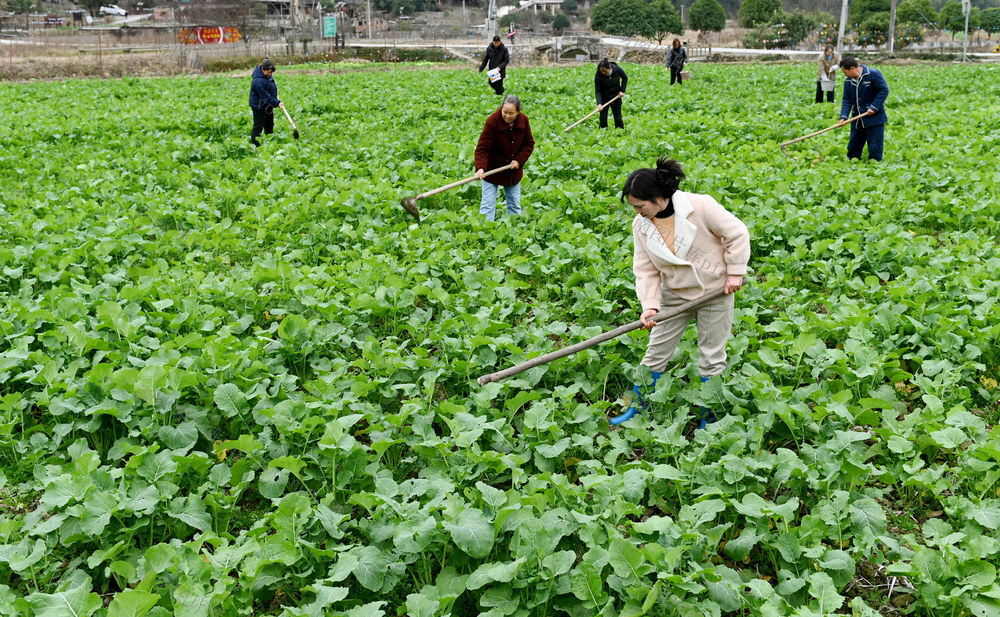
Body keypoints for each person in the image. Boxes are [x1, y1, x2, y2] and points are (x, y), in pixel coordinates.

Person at [612, 157, 750, 427]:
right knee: (656, 351)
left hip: (714, 291)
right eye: (634, 208)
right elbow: (645, 268)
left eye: (640, 206)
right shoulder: (641, 225)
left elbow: (737, 233)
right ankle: (638, 407)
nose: (637, 212)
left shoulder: (700, 206)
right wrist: (650, 306)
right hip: (674, 294)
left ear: (658, 197)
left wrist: (735, 272)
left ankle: (709, 418)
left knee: (712, 356)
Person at [474, 94, 535, 222]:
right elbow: (482, 148)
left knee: (514, 204)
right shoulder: (492, 121)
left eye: (511, 113)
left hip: (513, 171)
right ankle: (484, 233)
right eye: (505, 112)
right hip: (492, 170)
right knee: (487, 205)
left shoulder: (523, 120)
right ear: (501, 108)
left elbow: (529, 143)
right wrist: (480, 168)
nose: (507, 116)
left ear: (518, 112)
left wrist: (518, 160)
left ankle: (516, 231)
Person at [837, 56, 889, 161]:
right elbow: (847, 100)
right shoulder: (848, 81)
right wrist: (843, 117)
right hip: (857, 118)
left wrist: (874, 107)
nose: (845, 75)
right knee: (853, 146)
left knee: (875, 147)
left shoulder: (873, 74)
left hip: (874, 118)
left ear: (852, 68)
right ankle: (853, 163)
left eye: (845, 72)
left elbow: (884, 90)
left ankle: (874, 167)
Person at [248, 59, 284, 147]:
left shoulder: (268, 76)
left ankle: (270, 144)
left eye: (271, 73)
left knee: (269, 125)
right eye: (268, 72)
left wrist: (275, 94)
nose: (270, 74)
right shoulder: (258, 81)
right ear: (262, 69)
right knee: (258, 127)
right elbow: (265, 97)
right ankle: (255, 146)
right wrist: (277, 103)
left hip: (268, 106)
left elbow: (271, 87)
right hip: (259, 106)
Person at [594, 58, 628, 129]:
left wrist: (622, 90)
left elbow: (625, 78)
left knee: (618, 117)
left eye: (604, 71)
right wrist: (599, 103)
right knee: (603, 120)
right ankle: (603, 133)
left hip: (616, 96)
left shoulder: (617, 69)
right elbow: (598, 91)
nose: (603, 73)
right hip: (604, 98)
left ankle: (620, 132)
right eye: (601, 71)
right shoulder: (598, 75)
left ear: (609, 68)